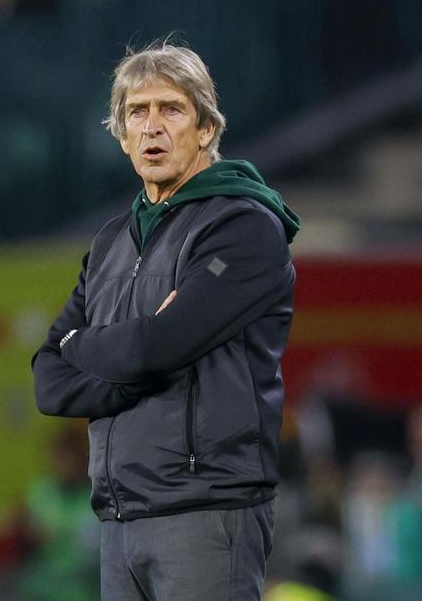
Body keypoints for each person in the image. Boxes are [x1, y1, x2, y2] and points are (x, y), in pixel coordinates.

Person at [32, 41, 300, 599]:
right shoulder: (110, 242)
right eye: (137, 112)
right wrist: (136, 363)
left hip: (206, 509)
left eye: (171, 109)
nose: (152, 126)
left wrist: (102, 350)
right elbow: (48, 380)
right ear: (122, 136)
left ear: (205, 129)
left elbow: (156, 346)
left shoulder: (243, 226)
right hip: (119, 515)